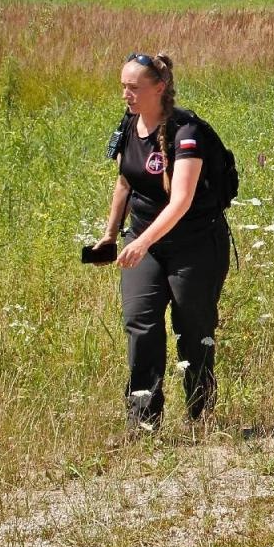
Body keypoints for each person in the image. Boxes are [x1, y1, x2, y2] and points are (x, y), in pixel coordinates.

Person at [87, 52, 232, 431]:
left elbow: (181, 200)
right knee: (141, 324)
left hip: (195, 245)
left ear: (159, 88)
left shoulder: (187, 132)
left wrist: (142, 242)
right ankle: (143, 423)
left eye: (134, 87)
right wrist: (110, 234)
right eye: (123, 86)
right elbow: (124, 183)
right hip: (145, 240)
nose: (126, 94)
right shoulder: (129, 124)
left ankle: (201, 416)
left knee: (193, 329)